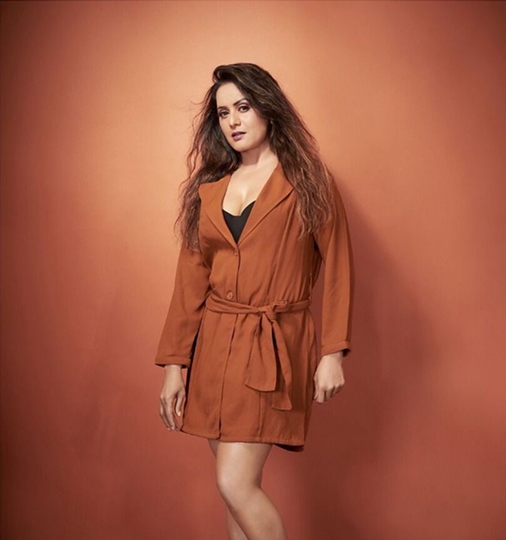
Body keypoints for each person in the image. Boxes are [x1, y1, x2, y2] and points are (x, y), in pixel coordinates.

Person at [154, 63, 354, 540]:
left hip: (273, 347)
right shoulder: (209, 189)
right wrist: (175, 365)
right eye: (224, 113)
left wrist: (332, 352)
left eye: (243, 107)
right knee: (235, 493)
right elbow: (190, 282)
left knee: (234, 482)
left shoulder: (308, 181)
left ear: (268, 108)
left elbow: (339, 268)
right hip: (214, 349)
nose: (233, 121)